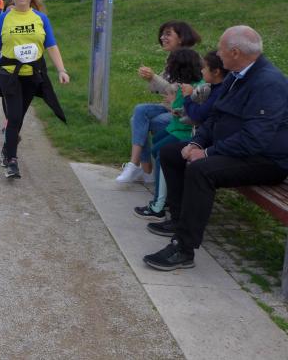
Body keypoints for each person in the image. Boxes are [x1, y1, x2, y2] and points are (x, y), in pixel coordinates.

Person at [144, 26, 288, 271]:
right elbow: (215, 116)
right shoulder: (236, 76)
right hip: (235, 150)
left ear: (235, 52)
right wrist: (196, 142)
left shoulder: (269, 83)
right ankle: (178, 221)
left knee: (201, 169)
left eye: (221, 50)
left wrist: (207, 153)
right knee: (171, 153)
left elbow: (255, 139)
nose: (217, 55)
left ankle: (183, 248)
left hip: (267, 160)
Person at [0, 0, 69, 178]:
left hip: (32, 76)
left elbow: (51, 45)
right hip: (9, 75)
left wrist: (61, 70)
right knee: (14, 116)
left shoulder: (41, 19)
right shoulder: (3, 19)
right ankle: (12, 161)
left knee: (18, 117)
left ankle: (6, 150)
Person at [116, 21, 202, 184]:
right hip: (169, 107)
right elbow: (164, 89)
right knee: (139, 111)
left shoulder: (189, 58)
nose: (163, 38)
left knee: (138, 122)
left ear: (181, 38)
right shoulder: (171, 58)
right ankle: (139, 167)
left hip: (182, 114)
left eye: (168, 34)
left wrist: (153, 78)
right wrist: (152, 79)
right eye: (162, 34)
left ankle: (144, 169)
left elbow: (177, 91)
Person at [132, 48, 203, 221]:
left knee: (162, 153)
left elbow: (194, 115)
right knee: (157, 143)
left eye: (171, 65)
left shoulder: (197, 87)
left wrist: (176, 107)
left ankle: (159, 205)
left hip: (186, 132)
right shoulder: (184, 83)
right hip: (176, 127)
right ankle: (168, 194)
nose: (168, 69)